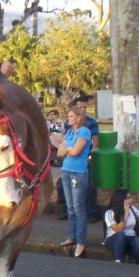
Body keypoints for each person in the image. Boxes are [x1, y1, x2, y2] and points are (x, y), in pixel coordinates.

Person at [57, 107, 92, 258]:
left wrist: (68, 149)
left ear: (78, 118)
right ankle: (71, 236)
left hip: (78, 172)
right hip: (66, 170)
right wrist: (68, 149)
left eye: (71, 116)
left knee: (78, 207)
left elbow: (76, 151)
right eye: (68, 116)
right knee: (70, 207)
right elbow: (59, 153)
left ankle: (81, 241)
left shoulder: (84, 132)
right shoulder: (69, 133)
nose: (69, 118)